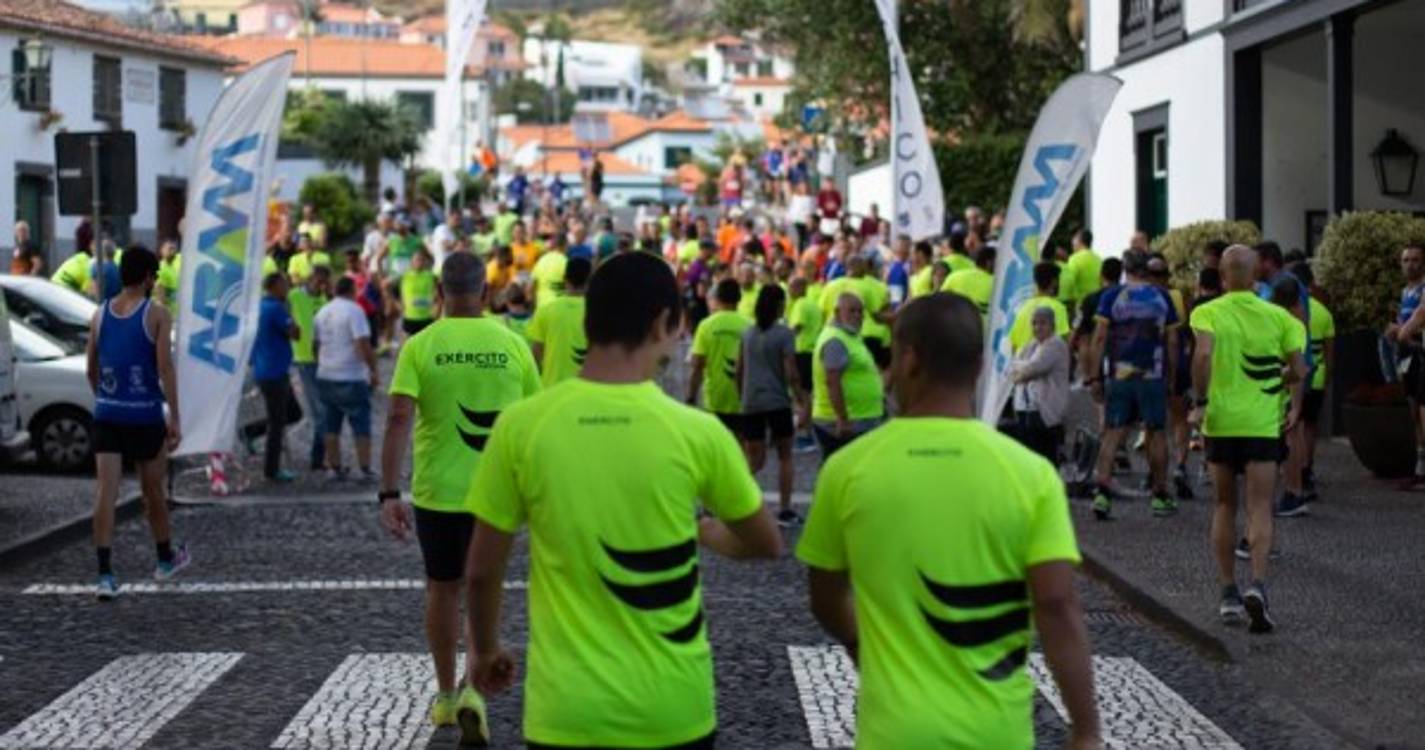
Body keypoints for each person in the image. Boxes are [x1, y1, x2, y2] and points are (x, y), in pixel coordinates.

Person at [463, 252, 781, 749]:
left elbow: (482, 571)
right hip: (674, 708)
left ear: (588, 322)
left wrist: (484, 649)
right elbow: (764, 541)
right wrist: (703, 530)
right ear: (665, 324)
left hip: (565, 713)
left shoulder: (521, 426)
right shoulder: (698, 432)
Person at [797, 292, 1100, 749]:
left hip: (892, 734)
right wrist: (1086, 730)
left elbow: (824, 597)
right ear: (979, 368)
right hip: (995, 734)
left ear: (909, 359)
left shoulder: (848, 468)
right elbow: (1057, 606)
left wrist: (863, 648)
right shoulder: (1031, 474)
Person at [379, 253, 537, 746]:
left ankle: (447, 696)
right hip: (498, 497)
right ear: (486, 293)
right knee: (483, 592)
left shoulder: (420, 345)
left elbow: (399, 418)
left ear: (440, 293)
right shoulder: (514, 347)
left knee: (443, 590)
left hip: (438, 495)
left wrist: (388, 490)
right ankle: (475, 694)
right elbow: (534, 423)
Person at [1189, 244, 1307, 633]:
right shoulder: (1281, 318)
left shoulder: (1206, 311)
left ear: (1222, 277)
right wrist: (1284, 389)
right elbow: (1299, 369)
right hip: (1261, 424)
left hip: (1221, 423)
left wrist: (1201, 401)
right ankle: (1257, 584)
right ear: (1257, 277)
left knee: (1225, 505)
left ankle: (1227, 593)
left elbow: (1203, 356)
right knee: (1259, 506)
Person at [87, 247, 189, 600]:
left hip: (108, 414)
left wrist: (106, 398)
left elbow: (91, 368)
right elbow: (164, 368)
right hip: (144, 414)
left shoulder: (99, 315)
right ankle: (164, 560)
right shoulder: (157, 314)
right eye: (156, 275)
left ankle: (104, 574)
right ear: (147, 276)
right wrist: (174, 417)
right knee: (152, 492)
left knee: (106, 493)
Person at [1087, 249, 1179, 520]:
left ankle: (1102, 492)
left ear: (1126, 269)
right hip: (1153, 375)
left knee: (1113, 432)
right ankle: (1160, 495)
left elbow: (1099, 338)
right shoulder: (1162, 297)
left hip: (1120, 375)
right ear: (1148, 269)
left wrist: (1094, 376)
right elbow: (1173, 341)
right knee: (1157, 433)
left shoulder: (1112, 296)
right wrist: (1172, 378)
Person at [738, 285, 806, 526]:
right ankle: (785, 510)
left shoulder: (747, 333)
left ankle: (734, 501)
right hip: (777, 401)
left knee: (754, 460)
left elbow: (739, 370)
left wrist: (742, 396)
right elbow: (791, 372)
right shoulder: (785, 334)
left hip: (751, 401)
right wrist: (802, 400)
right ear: (779, 305)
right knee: (785, 456)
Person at [313, 275, 379, 481]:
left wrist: (323, 363)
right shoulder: (355, 310)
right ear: (352, 290)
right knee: (360, 424)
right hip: (350, 375)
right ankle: (365, 468)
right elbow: (362, 343)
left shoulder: (322, 312)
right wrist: (373, 369)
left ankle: (335, 467)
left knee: (331, 424)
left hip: (326, 374)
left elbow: (315, 346)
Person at [812, 293, 885, 460]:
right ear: (837, 312)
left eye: (860, 312)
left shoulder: (850, 336)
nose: (858, 316)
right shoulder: (835, 340)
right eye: (852, 311)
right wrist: (842, 419)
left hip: (859, 417)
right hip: (844, 422)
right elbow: (832, 382)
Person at [250, 272, 301, 482]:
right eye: (285, 285)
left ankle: (251, 431)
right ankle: (271, 470)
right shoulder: (276, 308)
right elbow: (296, 333)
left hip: (267, 370)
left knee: (293, 413)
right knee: (277, 422)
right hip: (274, 372)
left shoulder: (260, 307)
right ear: (275, 286)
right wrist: (290, 313)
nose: (288, 288)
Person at [688, 278, 751, 437]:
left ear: (717, 299)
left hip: (714, 399)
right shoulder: (750, 326)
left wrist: (691, 396)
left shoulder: (706, 325)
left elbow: (697, 366)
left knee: (715, 447)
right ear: (739, 299)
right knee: (741, 449)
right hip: (743, 399)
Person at [1011, 307, 1072, 462]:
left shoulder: (1055, 344)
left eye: (1043, 323)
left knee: (1044, 456)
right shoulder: (1032, 345)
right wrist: (1020, 369)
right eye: (1034, 323)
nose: (1037, 327)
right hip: (1026, 408)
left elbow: (1034, 369)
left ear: (1052, 325)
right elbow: (1013, 365)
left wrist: (1020, 372)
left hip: (1045, 412)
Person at [1292, 261, 1332, 498]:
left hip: (1294, 376)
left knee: (1293, 425)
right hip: (1317, 376)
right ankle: (1307, 468)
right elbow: (1330, 353)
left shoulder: (1288, 309)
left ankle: (1294, 472)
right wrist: (1327, 378)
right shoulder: (1324, 312)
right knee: (1310, 426)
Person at [528, 257, 591, 388]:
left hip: (551, 389)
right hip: (588, 391)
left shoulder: (545, 311)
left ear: (565, 279)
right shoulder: (600, 313)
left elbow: (535, 357)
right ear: (590, 281)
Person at [290, 265, 329, 471]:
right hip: (303, 360)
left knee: (320, 411)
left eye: (324, 283)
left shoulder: (323, 300)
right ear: (311, 278)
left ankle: (321, 456)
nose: (321, 286)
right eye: (318, 281)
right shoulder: (294, 295)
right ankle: (317, 458)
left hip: (323, 360)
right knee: (320, 412)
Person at [1070, 258, 1123, 383]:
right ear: (1120, 275)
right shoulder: (1128, 295)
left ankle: (1087, 377)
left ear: (1101, 274)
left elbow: (1078, 327)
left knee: (1084, 339)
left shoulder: (1090, 299)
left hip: (1097, 356)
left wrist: (1069, 348)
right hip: (1122, 353)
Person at [1008, 262, 1071, 353]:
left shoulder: (1024, 307)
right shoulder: (1058, 308)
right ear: (1054, 281)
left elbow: (1014, 345)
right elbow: (1063, 343)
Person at [941, 246, 996, 316]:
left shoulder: (954, 276)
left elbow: (940, 302)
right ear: (989, 263)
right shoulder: (996, 283)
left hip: (954, 324)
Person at [401, 248, 439, 339]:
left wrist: (437, 310)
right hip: (410, 317)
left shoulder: (431, 276)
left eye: (422, 260)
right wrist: (396, 304)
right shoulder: (404, 276)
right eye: (417, 260)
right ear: (411, 262)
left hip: (426, 318)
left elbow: (441, 294)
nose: (419, 262)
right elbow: (385, 287)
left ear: (425, 262)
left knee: (426, 349)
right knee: (407, 348)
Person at [1061, 229, 1101, 308]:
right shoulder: (1098, 259)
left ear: (1079, 241)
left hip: (1081, 304)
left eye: (1074, 240)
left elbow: (1070, 281)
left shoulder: (1074, 259)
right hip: (1097, 303)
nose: (1072, 243)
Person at [530, 231, 567, 309]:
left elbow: (531, 286)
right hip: (559, 307)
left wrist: (533, 307)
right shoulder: (566, 262)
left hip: (542, 307)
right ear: (565, 245)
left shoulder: (541, 260)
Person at [154, 240, 181, 308]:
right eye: (169, 248)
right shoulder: (160, 269)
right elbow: (160, 296)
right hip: (170, 312)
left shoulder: (181, 259)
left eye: (173, 248)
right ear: (162, 250)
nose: (171, 251)